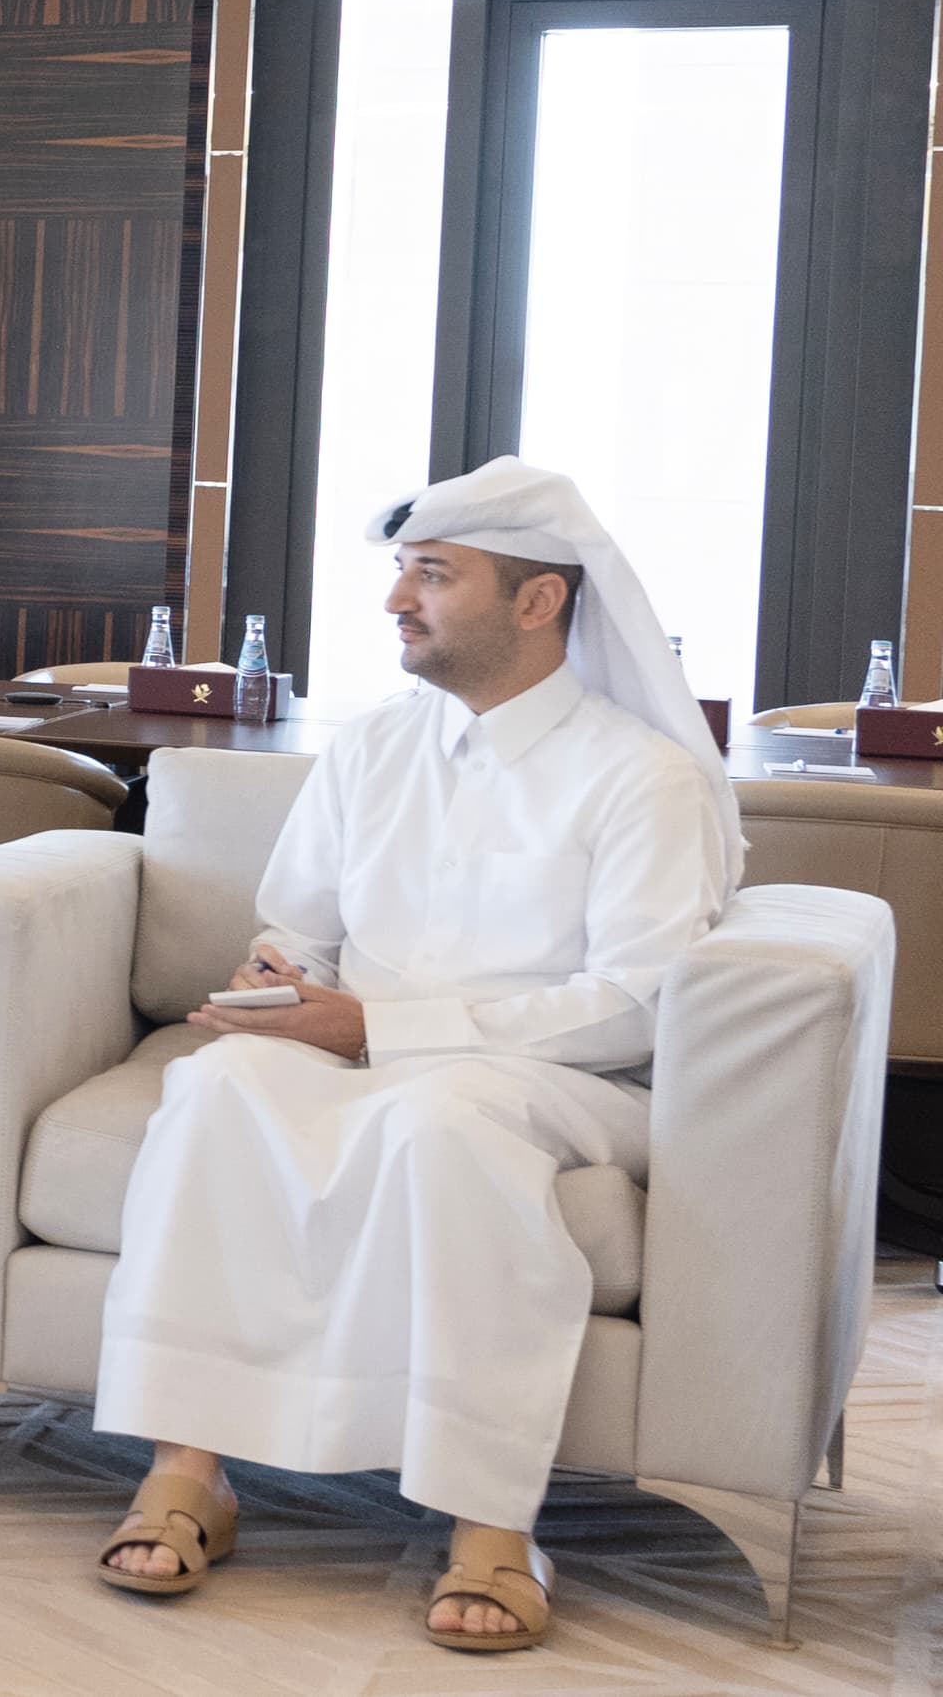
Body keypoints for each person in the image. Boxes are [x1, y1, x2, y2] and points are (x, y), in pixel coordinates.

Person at [87, 456, 736, 1653]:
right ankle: (188, 1470)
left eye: (432, 575)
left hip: (560, 1079)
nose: (396, 600)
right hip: (361, 1050)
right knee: (215, 1085)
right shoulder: (372, 748)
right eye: (399, 572)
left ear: (536, 600)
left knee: (438, 1120)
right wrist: (272, 982)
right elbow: (299, 927)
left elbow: (637, 1003)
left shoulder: (638, 775)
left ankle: (493, 1522)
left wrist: (377, 1029)